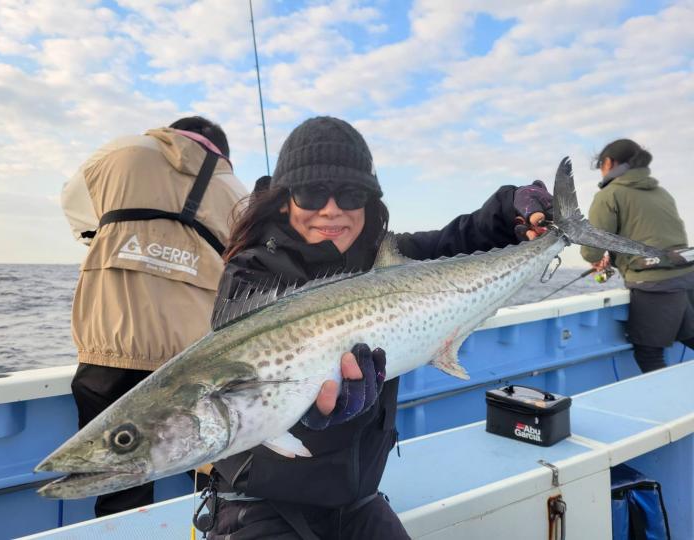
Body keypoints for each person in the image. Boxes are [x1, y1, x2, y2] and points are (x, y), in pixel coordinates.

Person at [205, 116, 552, 539]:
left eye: (351, 194)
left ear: (368, 202)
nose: (331, 208)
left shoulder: (385, 259)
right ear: (284, 200)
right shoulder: (253, 278)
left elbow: (457, 239)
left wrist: (511, 206)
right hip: (260, 505)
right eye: (312, 192)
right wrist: (308, 416)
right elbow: (236, 393)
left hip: (356, 501)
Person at [61, 116, 248, 516]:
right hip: (192, 357)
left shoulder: (120, 152)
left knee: (117, 476)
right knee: (212, 469)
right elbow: (244, 266)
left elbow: (75, 208)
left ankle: (124, 526)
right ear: (222, 153)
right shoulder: (236, 192)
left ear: (170, 132)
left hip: (108, 346)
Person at [581, 138, 694, 373]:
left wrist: (596, 258)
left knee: (648, 354)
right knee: (689, 336)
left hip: (657, 284)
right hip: (687, 277)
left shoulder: (609, 194)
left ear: (609, 162)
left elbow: (591, 248)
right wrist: (614, 257)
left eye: (601, 165)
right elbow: (658, 239)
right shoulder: (661, 193)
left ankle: (664, 398)